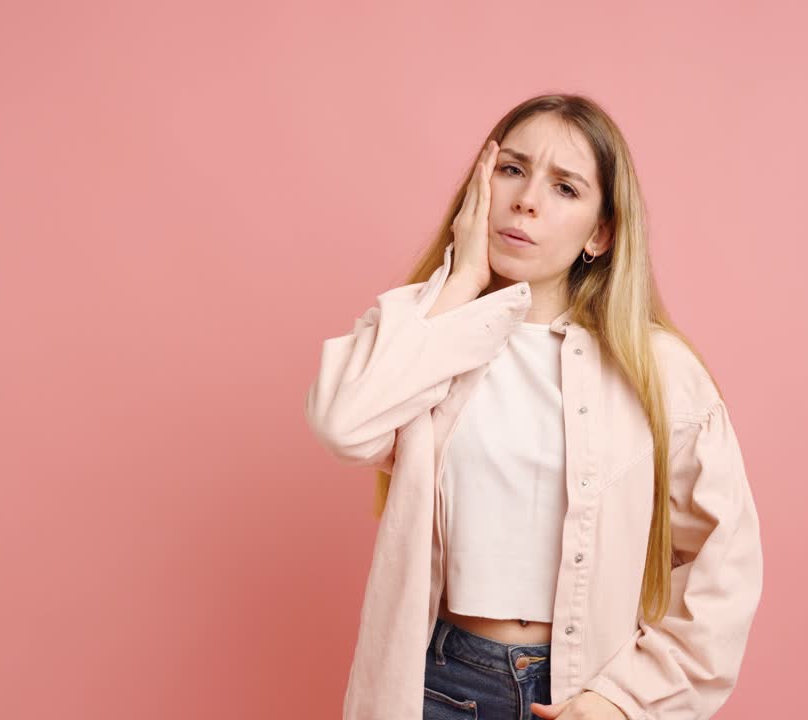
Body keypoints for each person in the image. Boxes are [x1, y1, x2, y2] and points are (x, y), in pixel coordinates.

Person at [305, 93, 764, 719]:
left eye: (566, 188)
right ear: (480, 186)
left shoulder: (659, 370)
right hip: (438, 687)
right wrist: (463, 282)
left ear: (600, 234)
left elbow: (723, 566)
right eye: (512, 169)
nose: (526, 199)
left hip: (585, 690)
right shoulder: (429, 333)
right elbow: (343, 424)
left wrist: (622, 703)